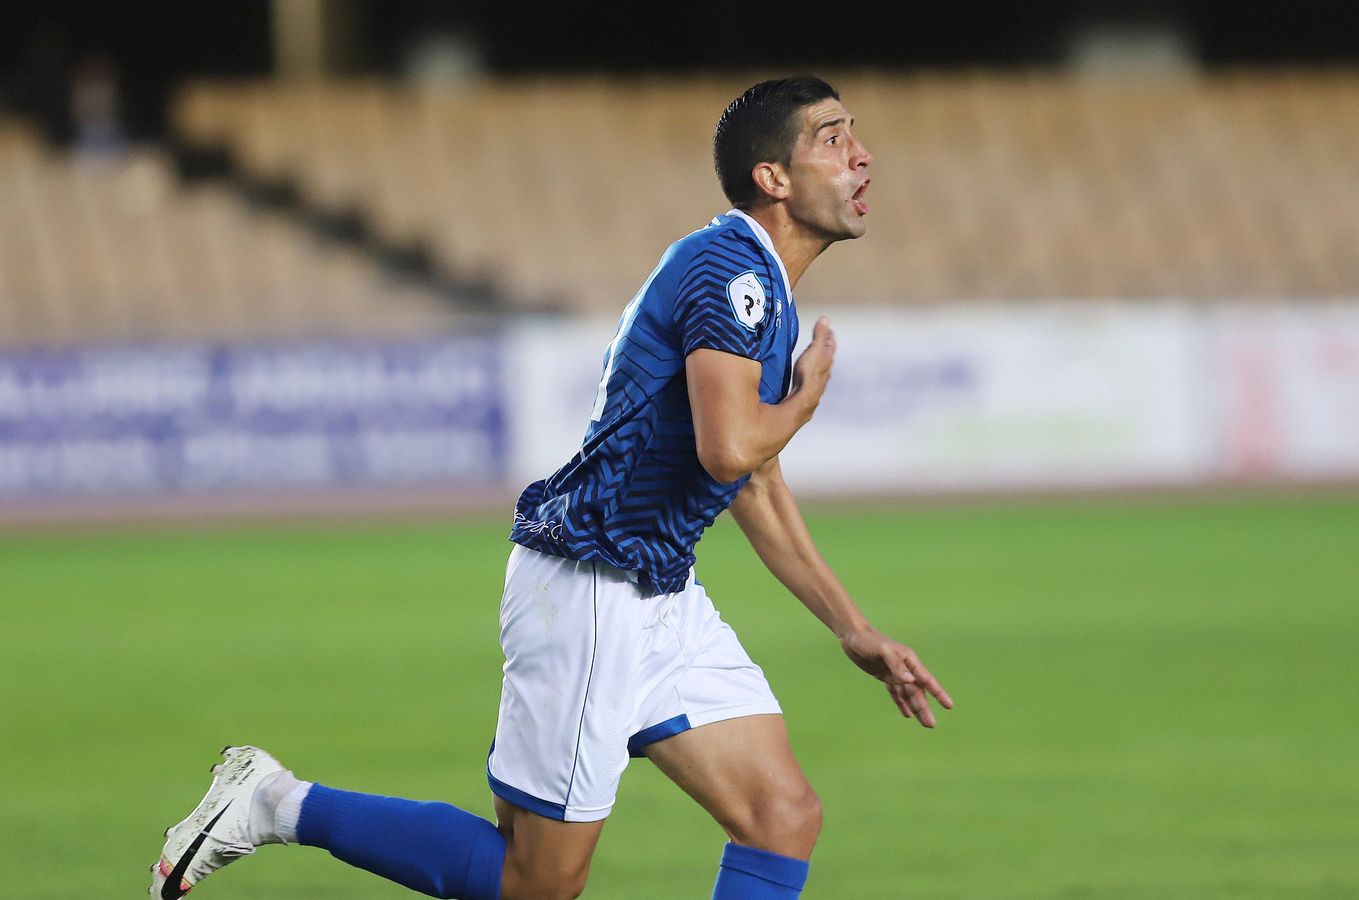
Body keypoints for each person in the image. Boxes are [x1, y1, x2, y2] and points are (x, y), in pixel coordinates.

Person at [151, 75, 952, 900]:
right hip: (591, 587)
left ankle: (278, 802)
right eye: (831, 137)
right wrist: (805, 400)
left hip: (657, 593)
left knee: (782, 815)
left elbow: (753, 479)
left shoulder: (764, 292)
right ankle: (274, 802)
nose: (860, 155)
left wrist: (852, 628)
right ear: (772, 178)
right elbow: (728, 451)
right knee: (535, 884)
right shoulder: (729, 270)